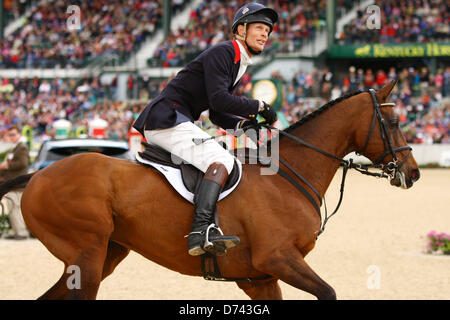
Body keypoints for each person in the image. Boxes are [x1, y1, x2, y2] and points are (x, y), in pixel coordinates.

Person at [133, 3, 278, 256]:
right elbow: (220, 100)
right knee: (221, 158)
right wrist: (259, 106)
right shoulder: (224, 52)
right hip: (166, 118)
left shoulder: (237, 62)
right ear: (241, 30)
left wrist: (244, 124)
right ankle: (202, 229)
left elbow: (217, 113)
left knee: (221, 156)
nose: (265, 34)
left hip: (175, 118)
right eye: (259, 28)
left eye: (268, 30)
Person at [0, 126, 30, 240]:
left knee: (15, 207)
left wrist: (7, 166)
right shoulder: (15, 147)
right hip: (12, 182)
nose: (11, 137)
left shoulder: (21, 147)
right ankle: (16, 230)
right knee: (12, 207)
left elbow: (23, 163)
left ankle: (21, 232)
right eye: (10, 134)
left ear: (19, 134)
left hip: (17, 183)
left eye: (13, 134)